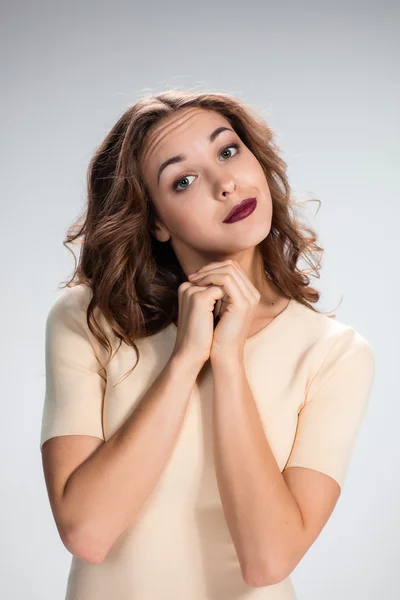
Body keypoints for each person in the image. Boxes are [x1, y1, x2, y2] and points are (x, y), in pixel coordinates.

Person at [40, 90, 375, 599]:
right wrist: (184, 360)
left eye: (228, 151)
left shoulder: (334, 353)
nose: (226, 184)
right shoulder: (89, 319)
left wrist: (229, 360)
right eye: (183, 180)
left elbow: (267, 560)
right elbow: (87, 531)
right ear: (154, 219)